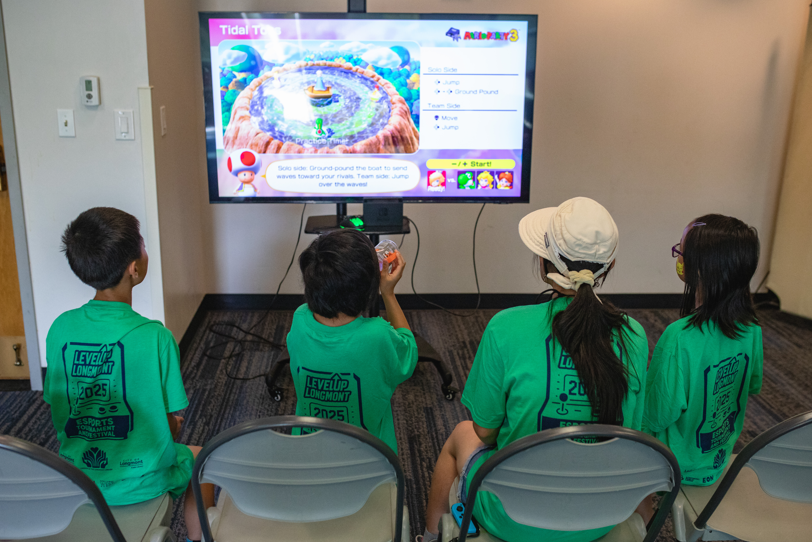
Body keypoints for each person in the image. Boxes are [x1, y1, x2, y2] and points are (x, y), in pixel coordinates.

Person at [422, 197, 649, 542]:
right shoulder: (633, 334)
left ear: (544, 264)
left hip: (512, 517)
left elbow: (485, 432)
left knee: (461, 434)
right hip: (600, 515)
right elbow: (630, 433)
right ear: (610, 266)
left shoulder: (505, 328)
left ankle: (429, 535)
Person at [43, 207, 213, 542]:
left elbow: (59, 409)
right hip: (141, 483)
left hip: (78, 478)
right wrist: (175, 426)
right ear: (134, 269)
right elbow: (165, 425)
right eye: (143, 245)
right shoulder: (155, 337)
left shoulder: (60, 328)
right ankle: (200, 539)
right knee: (200, 457)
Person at [643, 215, 762, 488]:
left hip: (673, 467)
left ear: (699, 268)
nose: (679, 258)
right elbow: (752, 385)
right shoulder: (752, 327)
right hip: (718, 460)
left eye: (681, 252)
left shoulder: (679, 337)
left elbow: (655, 415)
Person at [286, 229, 418, 453]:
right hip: (368, 458)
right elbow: (409, 354)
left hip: (307, 452)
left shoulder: (300, 319)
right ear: (368, 290)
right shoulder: (377, 334)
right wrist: (388, 293)